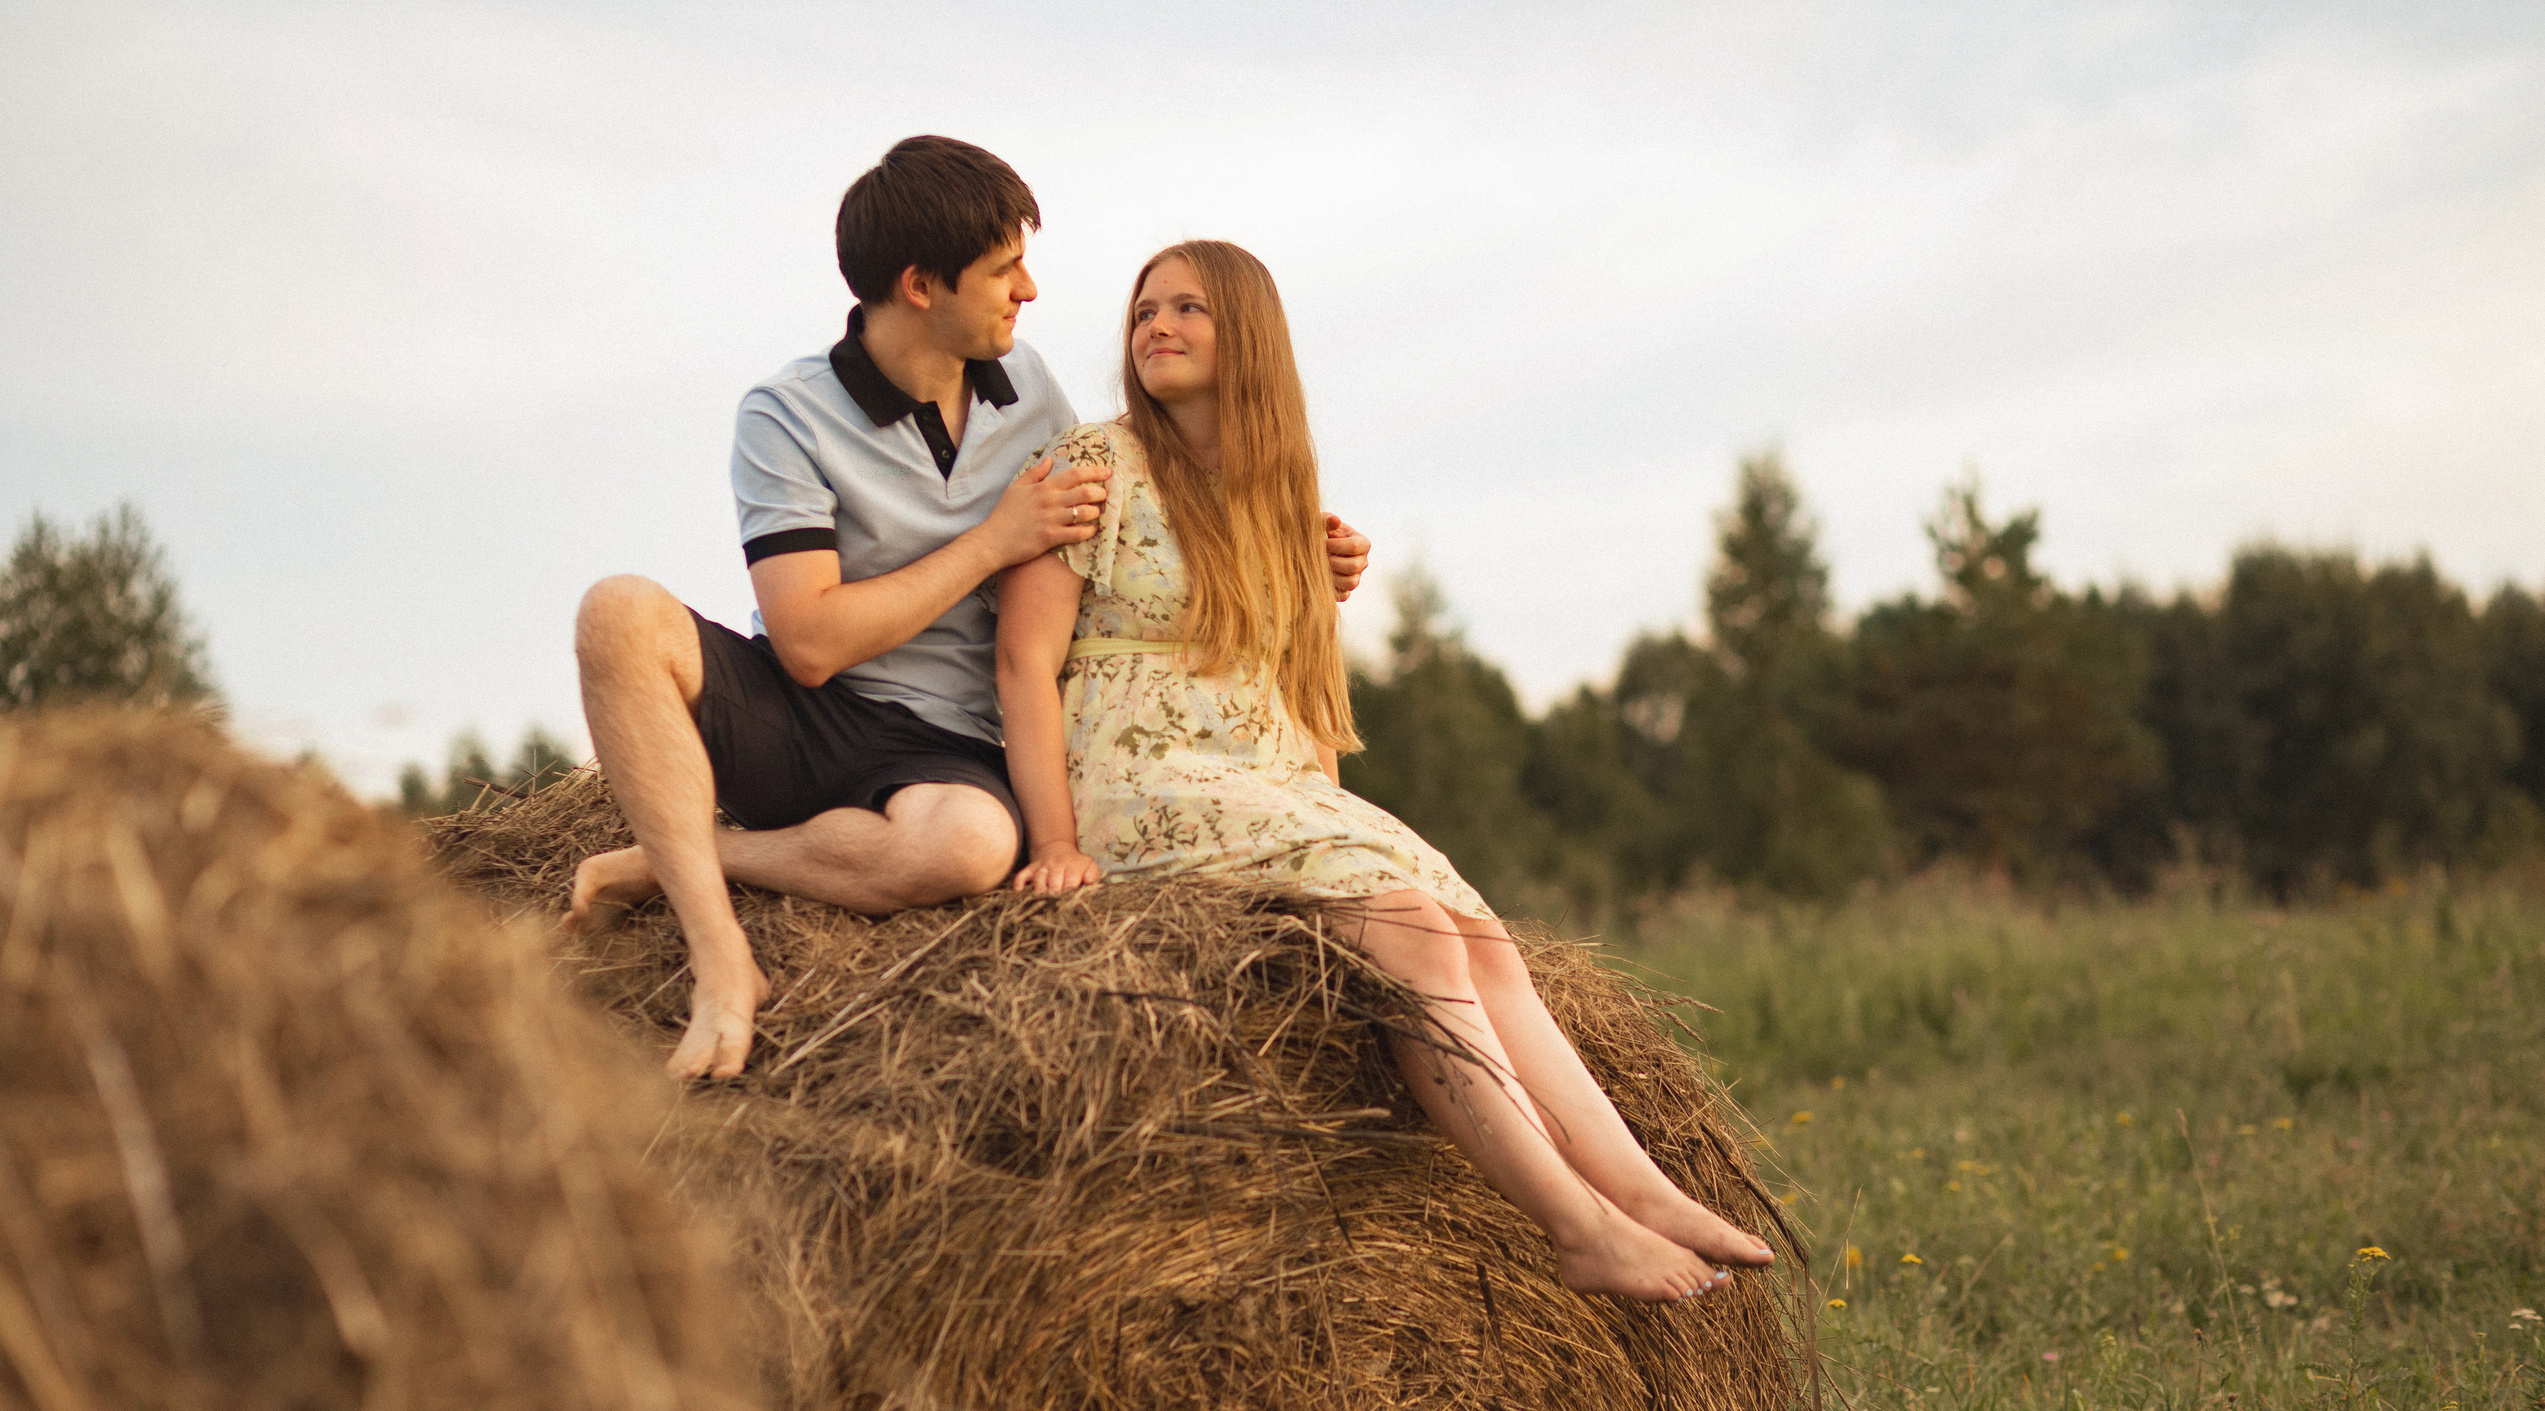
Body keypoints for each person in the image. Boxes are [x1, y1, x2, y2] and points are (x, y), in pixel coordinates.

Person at [992, 241, 1776, 1304]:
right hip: (1141, 773)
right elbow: (1024, 659)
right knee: (1413, 925)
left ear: (1249, 338)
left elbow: (1300, 683)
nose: (1156, 327)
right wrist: (1053, 842)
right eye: (1143, 312)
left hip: (1257, 771)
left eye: (1188, 309)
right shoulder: (1094, 463)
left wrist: (1324, 797)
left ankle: (1640, 1189)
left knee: (1469, 935)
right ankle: (1574, 1222)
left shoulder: (1280, 494)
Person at [565, 140, 1373, 1081]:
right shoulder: (785, 414)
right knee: (617, 612)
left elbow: (1134, 535)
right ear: (919, 284)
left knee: (973, 846)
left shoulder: (1028, 390)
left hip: (952, 747)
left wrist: (1295, 559)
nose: (1027, 290)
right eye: (1003, 270)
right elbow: (811, 641)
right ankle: (721, 963)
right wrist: (992, 542)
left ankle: (689, 852)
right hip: (804, 709)